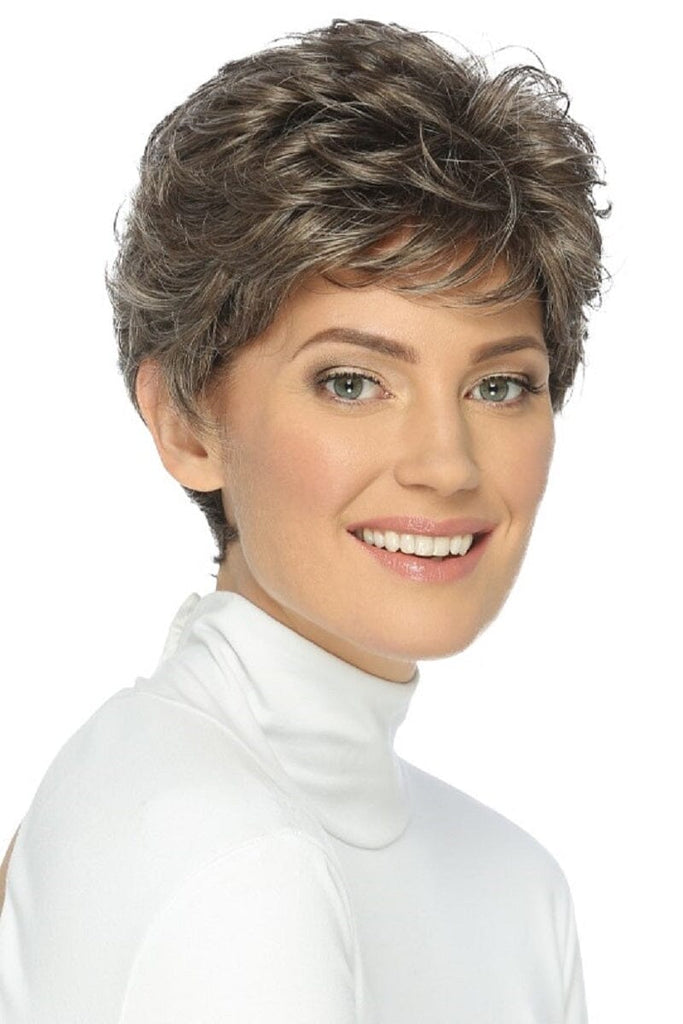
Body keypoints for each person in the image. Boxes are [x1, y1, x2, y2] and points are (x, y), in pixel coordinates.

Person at [0, 18, 608, 1023]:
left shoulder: (515, 888)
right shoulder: (225, 855)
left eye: (499, 386)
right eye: (351, 381)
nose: (445, 466)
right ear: (185, 421)